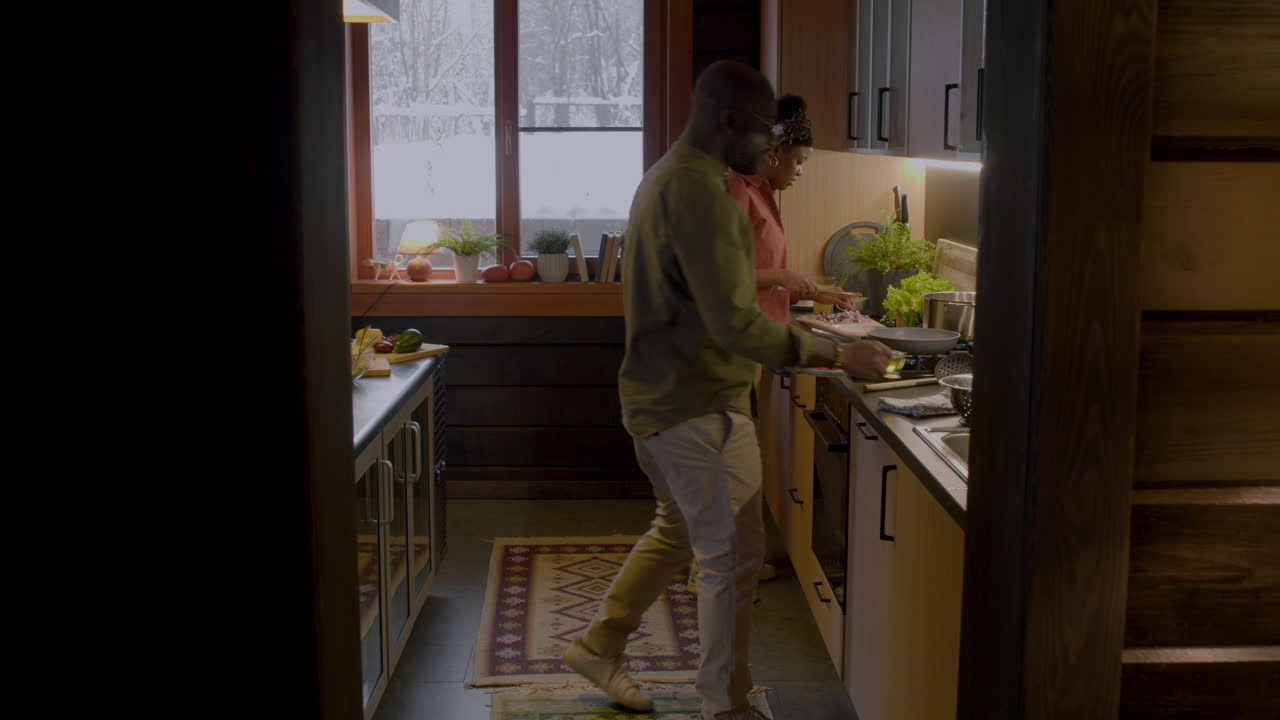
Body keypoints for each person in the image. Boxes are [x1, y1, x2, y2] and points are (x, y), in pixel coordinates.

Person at [560, 60, 891, 720]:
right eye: (763, 130)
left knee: (677, 531)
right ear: (730, 121)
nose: (769, 146)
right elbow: (735, 323)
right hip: (699, 408)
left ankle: (600, 645)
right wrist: (836, 352)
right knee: (732, 563)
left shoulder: (668, 176)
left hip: (656, 403)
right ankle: (726, 708)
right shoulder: (704, 195)